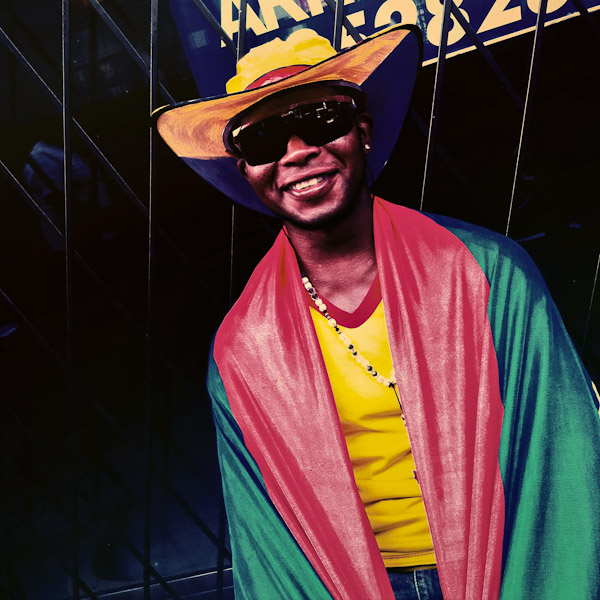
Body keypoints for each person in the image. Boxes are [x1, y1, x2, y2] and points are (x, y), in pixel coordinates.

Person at [155, 25, 600, 600]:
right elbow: (267, 540)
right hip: (357, 585)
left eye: (320, 118)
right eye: (263, 139)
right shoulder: (244, 347)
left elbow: (560, 462)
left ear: (362, 133)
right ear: (246, 171)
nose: (296, 153)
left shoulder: (488, 272)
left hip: (507, 560)